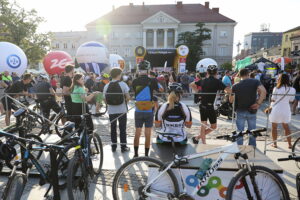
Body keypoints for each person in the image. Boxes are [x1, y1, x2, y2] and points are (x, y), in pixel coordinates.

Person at [190, 65, 230, 144]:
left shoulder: (204, 80)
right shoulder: (217, 81)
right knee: (213, 126)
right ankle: (203, 142)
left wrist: (198, 93)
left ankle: (197, 138)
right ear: (216, 73)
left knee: (204, 124)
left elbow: (191, 84)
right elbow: (228, 90)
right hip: (209, 106)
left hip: (203, 105)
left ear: (207, 72)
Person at [229, 68, 266, 146]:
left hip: (240, 110)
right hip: (252, 110)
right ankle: (252, 147)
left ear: (239, 75)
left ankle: (239, 147)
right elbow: (264, 91)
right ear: (248, 74)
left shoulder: (235, 85)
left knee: (239, 131)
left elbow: (231, 100)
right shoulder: (255, 81)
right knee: (252, 131)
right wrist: (258, 103)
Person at [132, 60, 160, 157]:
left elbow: (134, 91)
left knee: (137, 132)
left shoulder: (135, 81)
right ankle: (146, 155)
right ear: (148, 70)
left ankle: (135, 154)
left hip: (138, 110)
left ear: (139, 70)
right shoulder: (152, 80)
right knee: (148, 133)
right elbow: (161, 90)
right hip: (148, 110)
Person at [103, 68, 130, 152]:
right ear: (118, 75)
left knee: (113, 128)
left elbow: (104, 99)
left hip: (111, 110)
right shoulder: (123, 84)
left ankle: (114, 146)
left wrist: (109, 104)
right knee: (122, 128)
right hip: (122, 110)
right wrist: (125, 101)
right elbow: (128, 97)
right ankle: (123, 147)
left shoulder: (107, 85)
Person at [269, 74, 295, 148]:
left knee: (274, 127)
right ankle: (289, 144)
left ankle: (275, 144)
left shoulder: (276, 88)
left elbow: (273, 99)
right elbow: (291, 100)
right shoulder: (292, 89)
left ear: (280, 79)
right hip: (286, 109)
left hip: (276, 109)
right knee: (286, 127)